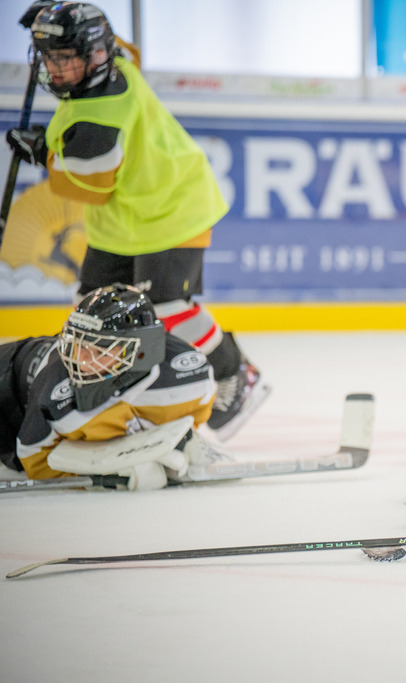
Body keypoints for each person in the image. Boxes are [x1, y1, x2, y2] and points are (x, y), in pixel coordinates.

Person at [4, 2, 269, 441]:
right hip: (124, 219)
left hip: (170, 209)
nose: (58, 70)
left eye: (66, 58)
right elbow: (126, 47)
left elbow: (90, 187)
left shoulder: (102, 119)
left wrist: (44, 156)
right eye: (51, 58)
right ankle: (117, 390)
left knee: (167, 308)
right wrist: (56, 14)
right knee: (92, 309)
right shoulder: (115, 63)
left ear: (93, 56)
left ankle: (236, 376)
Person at [0, 283, 226, 490]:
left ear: (140, 351)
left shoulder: (188, 373)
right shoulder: (56, 389)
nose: (81, 360)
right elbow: (34, 461)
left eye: (100, 351)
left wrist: (177, 439)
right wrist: (107, 471)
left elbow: (193, 416)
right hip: (8, 387)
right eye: (78, 343)